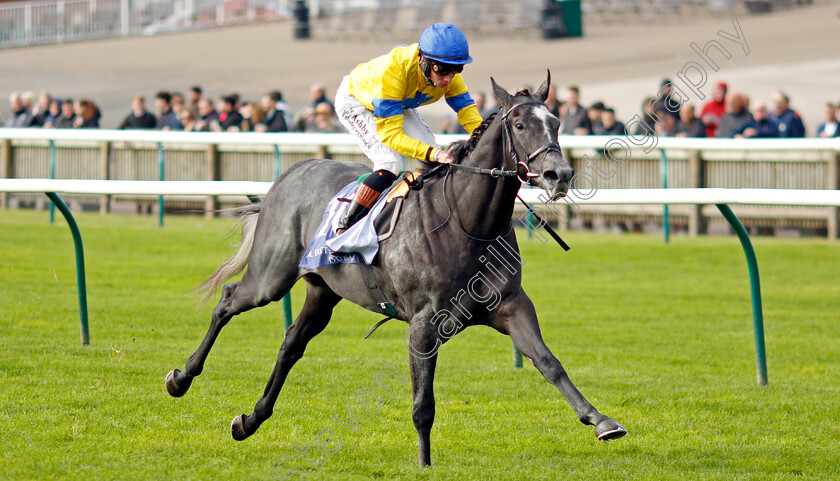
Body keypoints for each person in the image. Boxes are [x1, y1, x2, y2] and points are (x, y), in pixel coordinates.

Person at [333, 22, 483, 233]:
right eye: (442, 69)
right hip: (356, 101)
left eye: (457, 69)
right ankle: (346, 225)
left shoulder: (449, 77)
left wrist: (483, 135)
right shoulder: (394, 71)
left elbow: (467, 110)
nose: (449, 78)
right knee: (389, 163)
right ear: (424, 60)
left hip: (397, 102)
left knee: (431, 158)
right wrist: (435, 153)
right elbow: (392, 136)